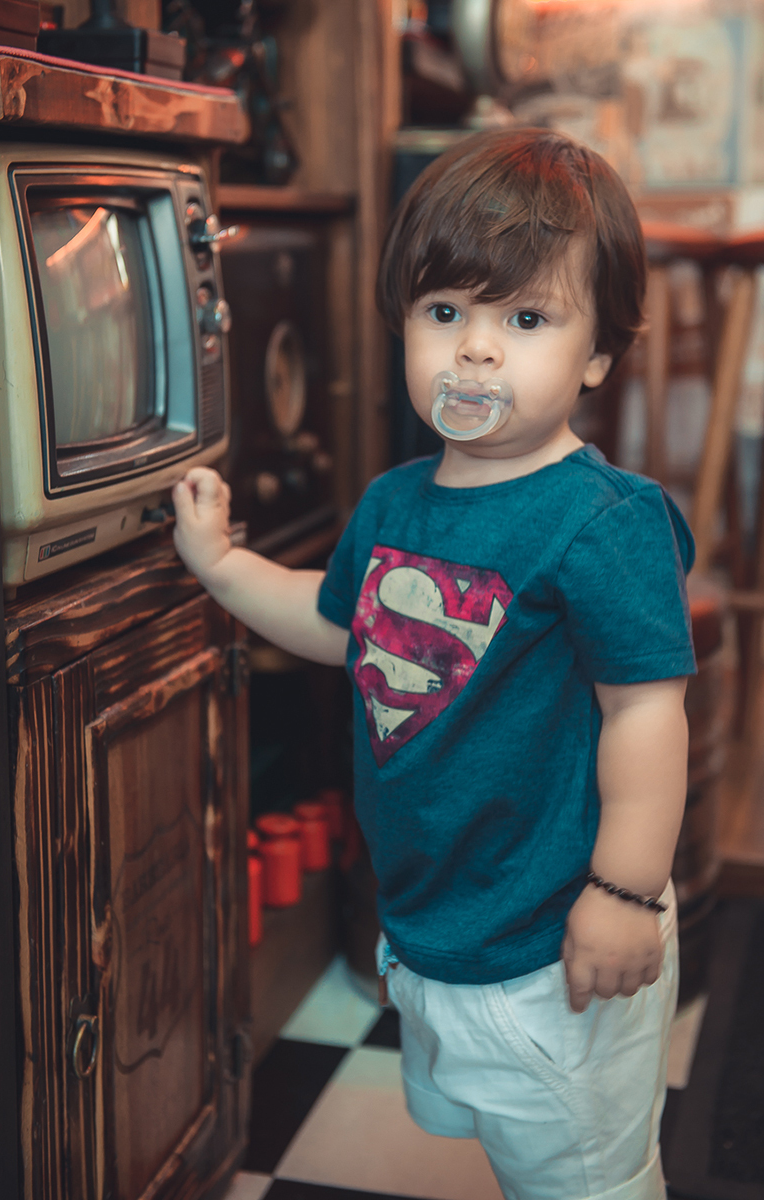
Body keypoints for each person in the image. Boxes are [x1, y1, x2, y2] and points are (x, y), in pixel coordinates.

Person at [173, 128, 696, 1200]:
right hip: (436, 927)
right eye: (445, 312)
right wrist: (223, 565)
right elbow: (341, 628)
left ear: (598, 354)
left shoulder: (602, 524)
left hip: (560, 940)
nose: (476, 351)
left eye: (527, 318)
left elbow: (647, 712)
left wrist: (625, 890)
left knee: (586, 1179)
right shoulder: (393, 503)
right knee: (504, 1147)